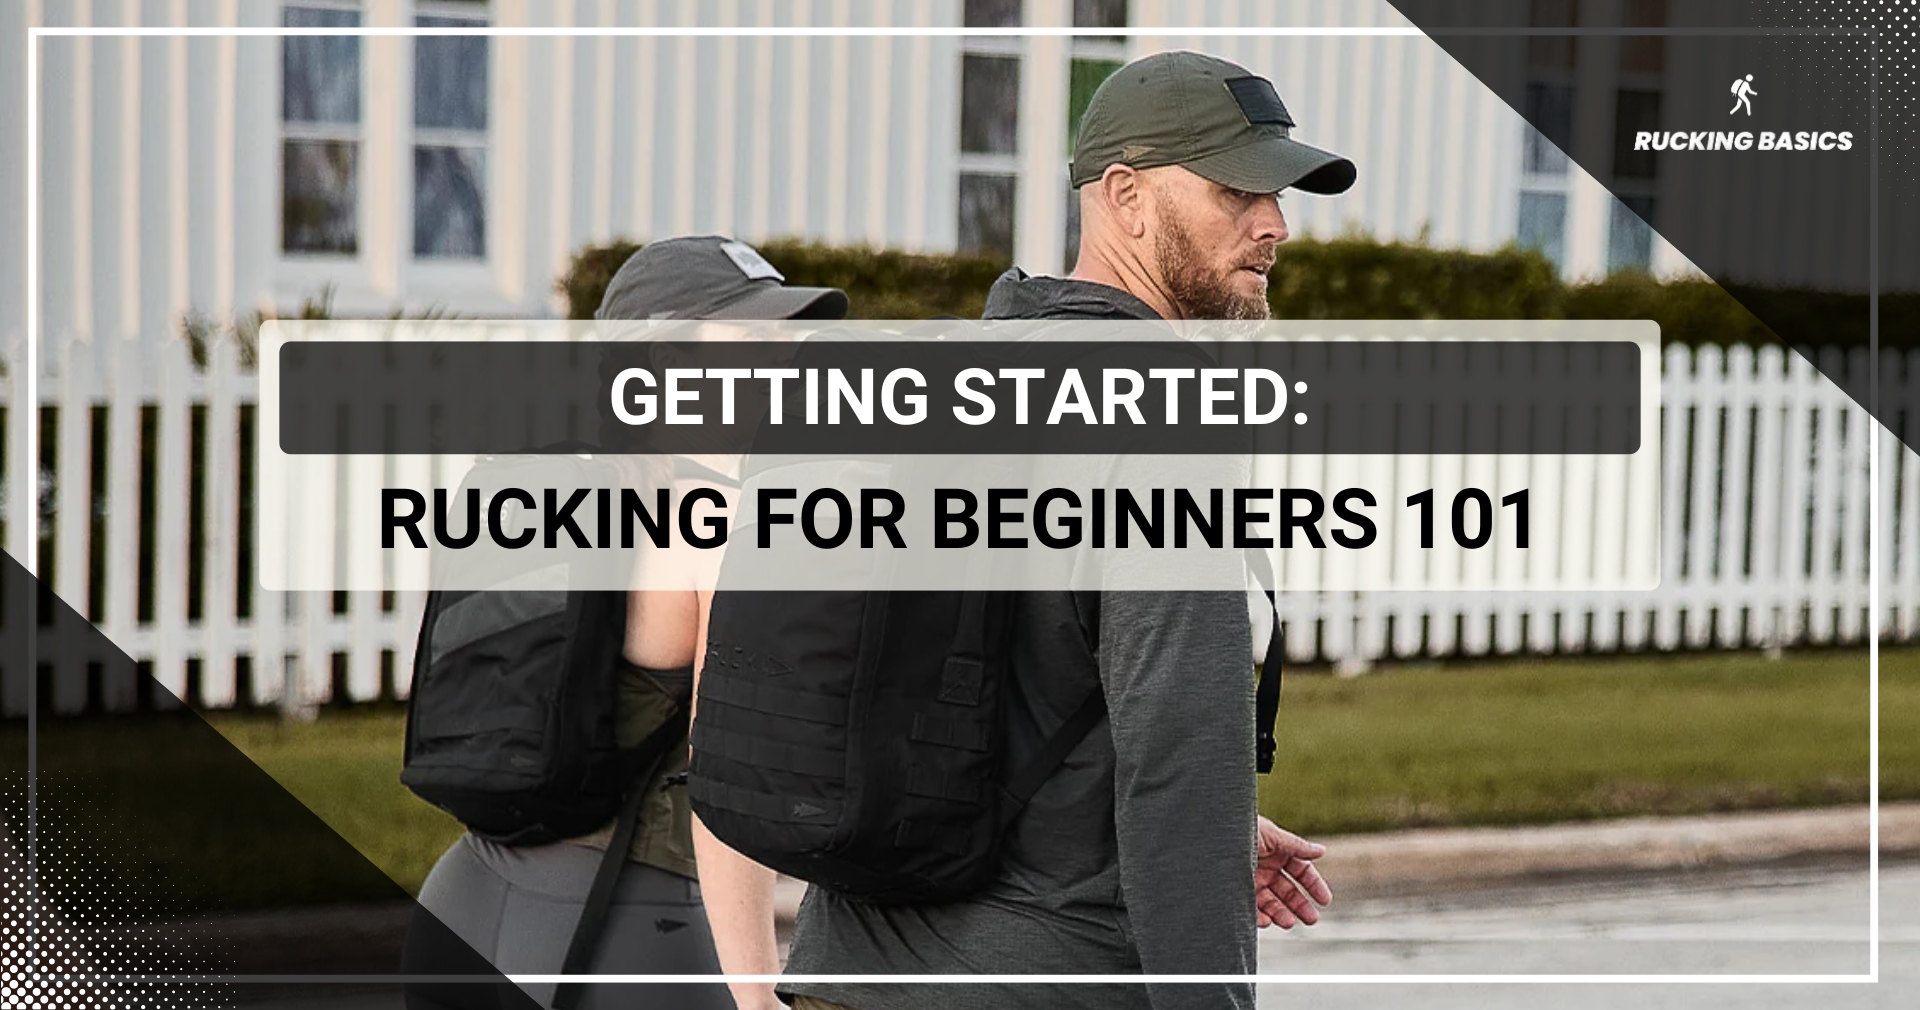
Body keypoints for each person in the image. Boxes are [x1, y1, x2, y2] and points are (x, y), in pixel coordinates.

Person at [776, 51, 1355, 1010]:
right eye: (1235, 191)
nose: (1275, 226)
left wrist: (1193, 822)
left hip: (849, 970)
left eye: (1281, 195)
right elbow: (1179, 763)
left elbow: (979, 670)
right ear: (1125, 195)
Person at [403, 236, 847, 1010]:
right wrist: (754, 992)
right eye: (752, 341)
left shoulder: (536, 488)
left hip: (459, 907)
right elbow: (723, 796)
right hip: (625, 938)